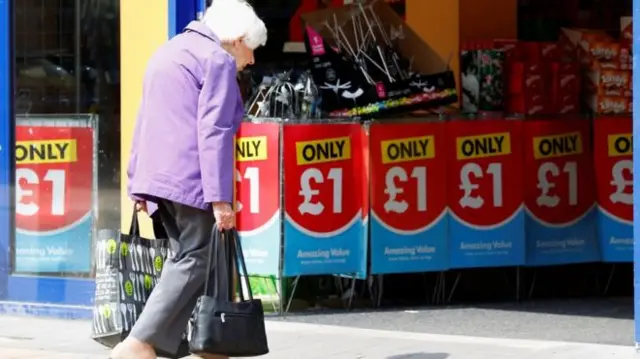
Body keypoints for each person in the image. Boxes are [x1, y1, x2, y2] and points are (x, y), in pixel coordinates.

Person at [110, 1, 267, 358]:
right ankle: (139, 343)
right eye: (251, 49)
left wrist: (138, 180)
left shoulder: (169, 52)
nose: (252, 60)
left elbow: (144, 118)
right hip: (190, 179)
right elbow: (215, 132)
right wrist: (220, 198)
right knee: (196, 258)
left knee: (192, 257)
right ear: (238, 38)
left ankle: (201, 346)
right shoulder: (217, 60)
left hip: (159, 177)